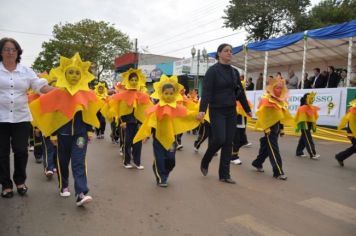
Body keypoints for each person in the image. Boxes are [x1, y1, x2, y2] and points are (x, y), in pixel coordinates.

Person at [30, 53, 102, 206]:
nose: (74, 75)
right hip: (62, 134)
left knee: (78, 161)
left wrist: (90, 130)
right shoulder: (57, 93)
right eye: (71, 72)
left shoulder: (86, 93)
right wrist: (53, 134)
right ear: (64, 74)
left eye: (77, 72)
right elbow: (52, 115)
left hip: (80, 135)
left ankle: (81, 193)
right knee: (62, 162)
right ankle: (63, 185)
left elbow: (88, 112)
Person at [0, 37, 54, 198]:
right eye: (6, 49)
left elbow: (41, 87)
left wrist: (61, 91)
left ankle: (20, 181)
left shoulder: (26, 71)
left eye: (13, 49)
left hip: (21, 117)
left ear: (18, 52)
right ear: (1, 52)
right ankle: (6, 185)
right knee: (1, 153)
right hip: (1, 118)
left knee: (21, 151)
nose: (10, 52)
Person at [196, 43, 251, 184]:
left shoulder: (234, 72)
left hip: (231, 110)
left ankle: (224, 175)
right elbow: (207, 92)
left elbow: (240, 93)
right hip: (217, 110)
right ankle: (206, 159)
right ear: (219, 53)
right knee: (220, 139)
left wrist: (247, 109)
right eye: (226, 51)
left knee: (228, 143)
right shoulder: (212, 71)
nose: (229, 53)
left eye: (231, 51)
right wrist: (202, 110)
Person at [133, 75, 199, 187]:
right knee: (159, 159)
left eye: (171, 94)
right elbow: (150, 122)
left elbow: (187, 114)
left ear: (175, 94)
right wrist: (147, 135)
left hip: (171, 138)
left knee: (171, 160)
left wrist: (197, 115)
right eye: (166, 93)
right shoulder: (156, 108)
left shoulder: (177, 108)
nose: (168, 96)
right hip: (158, 137)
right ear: (161, 94)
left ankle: (165, 173)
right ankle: (161, 178)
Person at [109, 68, 153, 169]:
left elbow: (147, 107)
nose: (133, 82)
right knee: (127, 142)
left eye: (135, 80)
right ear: (128, 81)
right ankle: (126, 161)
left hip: (138, 121)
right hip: (127, 122)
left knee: (137, 142)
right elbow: (118, 109)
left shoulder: (143, 95)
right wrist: (122, 121)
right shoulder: (122, 95)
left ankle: (137, 162)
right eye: (132, 80)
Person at [251, 76, 293, 180]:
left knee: (267, 147)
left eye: (281, 87)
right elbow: (263, 115)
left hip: (276, 127)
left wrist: (282, 128)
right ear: (272, 88)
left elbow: (280, 115)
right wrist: (266, 128)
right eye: (277, 87)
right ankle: (278, 172)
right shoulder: (266, 99)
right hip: (269, 128)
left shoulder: (281, 101)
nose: (279, 90)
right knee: (274, 149)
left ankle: (257, 163)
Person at [295, 92, 320, 159]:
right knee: (308, 139)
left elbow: (314, 116)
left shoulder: (311, 107)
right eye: (310, 98)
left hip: (309, 124)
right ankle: (312, 154)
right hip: (304, 125)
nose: (312, 99)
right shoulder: (302, 108)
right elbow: (300, 118)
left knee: (304, 138)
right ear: (306, 99)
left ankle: (299, 152)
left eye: (312, 98)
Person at [335, 99, 356, 167]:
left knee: (354, 148)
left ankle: (340, 157)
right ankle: (340, 157)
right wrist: (352, 134)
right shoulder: (353, 110)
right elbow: (352, 124)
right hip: (353, 133)